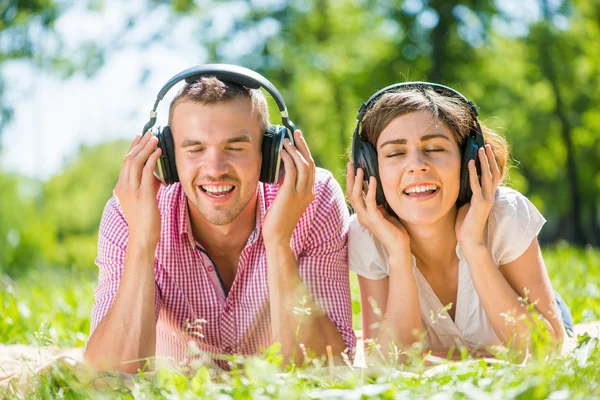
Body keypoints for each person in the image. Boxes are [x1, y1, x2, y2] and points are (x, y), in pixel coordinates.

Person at [83, 65, 355, 373]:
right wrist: (143, 241)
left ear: (269, 153)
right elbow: (106, 376)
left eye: (235, 147)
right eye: (195, 148)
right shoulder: (130, 209)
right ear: (167, 156)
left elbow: (328, 369)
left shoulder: (313, 198)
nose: (215, 169)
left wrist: (278, 242)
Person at [346, 82, 573, 362]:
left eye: (435, 149)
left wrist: (473, 244)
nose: (417, 165)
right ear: (369, 169)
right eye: (395, 153)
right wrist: (398, 252)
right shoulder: (368, 233)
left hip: (537, 308)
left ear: (470, 160)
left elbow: (545, 349)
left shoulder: (505, 213)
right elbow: (387, 361)